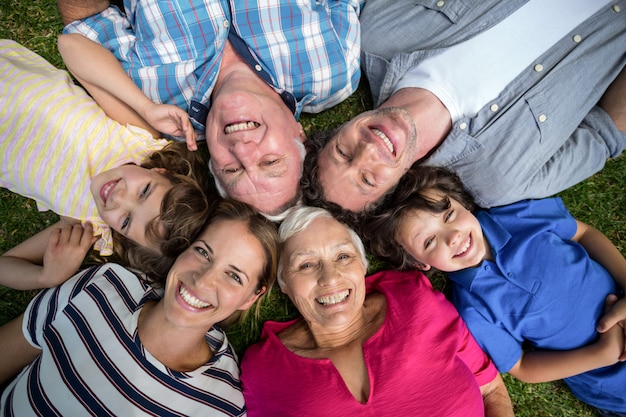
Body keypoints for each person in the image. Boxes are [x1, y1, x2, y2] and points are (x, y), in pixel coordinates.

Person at [301, 0, 626, 219]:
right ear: (396, 188)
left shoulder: (380, 29)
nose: (368, 150)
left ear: (339, 128)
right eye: (368, 179)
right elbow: (606, 133)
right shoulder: (499, 176)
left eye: (343, 152)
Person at [55, 0, 363, 217]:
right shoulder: (332, 71)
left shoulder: (157, 98)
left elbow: (83, 26)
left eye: (232, 169)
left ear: (213, 163)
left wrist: (146, 108)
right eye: (270, 161)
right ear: (300, 134)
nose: (243, 150)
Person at [363, 165, 626, 416]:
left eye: (449, 215)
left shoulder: (517, 217)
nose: (452, 236)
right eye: (430, 241)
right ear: (421, 263)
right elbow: (522, 366)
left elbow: (583, 233)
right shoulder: (470, 310)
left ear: (464, 204)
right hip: (612, 385)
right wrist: (603, 353)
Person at [0, 199, 279, 416]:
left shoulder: (222, 405)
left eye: (233, 276)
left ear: (250, 298)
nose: (204, 280)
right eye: (203, 251)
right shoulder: (102, 286)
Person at [240, 206, 514, 416]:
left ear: (362, 266)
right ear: (284, 283)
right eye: (306, 265)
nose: (330, 278)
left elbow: (490, 389)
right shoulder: (263, 369)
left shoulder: (414, 300)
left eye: (343, 256)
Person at [0, 40, 214, 289]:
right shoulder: (137, 141)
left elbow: (6, 264)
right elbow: (70, 46)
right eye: (144, 191)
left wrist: (47, 277)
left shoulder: (87, 223)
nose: (118, 198)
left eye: (125, 221)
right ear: (161, 171)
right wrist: (146, 108)